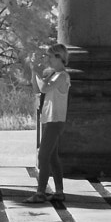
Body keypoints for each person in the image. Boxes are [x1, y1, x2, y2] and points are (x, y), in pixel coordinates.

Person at [29, 41, 70, 203]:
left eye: (50, 57)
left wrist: (38, 73)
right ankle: (59, 192)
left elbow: (45, 88)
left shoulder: (63, 76)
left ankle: (40, 193)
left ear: (60, 58)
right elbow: (37, 89)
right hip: (48, 120)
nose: (48, 60)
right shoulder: (53, 74)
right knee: (52, 157)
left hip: (55, 121)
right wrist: (34, 72)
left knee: (43, 156)